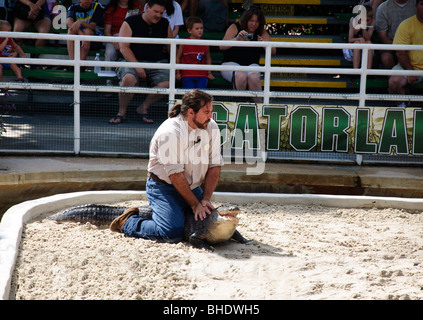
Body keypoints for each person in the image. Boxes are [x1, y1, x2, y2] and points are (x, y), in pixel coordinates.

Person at [110, 89, 224, 243]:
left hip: (192, 186)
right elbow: (176, 176)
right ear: (191, 112)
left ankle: (162, 212)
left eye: (210, 111)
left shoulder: (211, 126)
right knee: (171, 233)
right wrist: (195, 204)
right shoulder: (170, 132)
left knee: (210, 223)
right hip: (163, 187)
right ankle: (128, 221)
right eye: (206, 112)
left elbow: (215, 166)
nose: (210, 116)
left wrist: (205, 199)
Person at [109, 0, 172, 124]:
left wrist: (177, 68)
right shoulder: (130, 22)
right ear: (147, 8)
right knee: (129, 79)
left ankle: (143, 107)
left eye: (161, 13)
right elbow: (124, 47)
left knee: (169, 82)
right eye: (156, 11)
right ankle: (121, 112)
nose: (158, 15)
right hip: (129, 61)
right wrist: (137, 66)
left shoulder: (165, 23)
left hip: (156, 62)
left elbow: (171, 47)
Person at [219, 5, 276, 103]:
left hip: (251, 65)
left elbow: (273, 51)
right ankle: (237, 105)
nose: (254, 24)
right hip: (230, 63)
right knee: (241, 75)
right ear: (246, 20)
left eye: (257, 21)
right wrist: (237, 39)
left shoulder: (261, 32)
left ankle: (260, 108)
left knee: (253, 77)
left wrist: (264, 44)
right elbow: (222, 46)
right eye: (251, 21)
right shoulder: (235, 27)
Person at [388, 0, 423, 101]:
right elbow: (400, 52)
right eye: (422, 4)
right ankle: (402, 108)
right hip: (409, 67)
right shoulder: (406, 25)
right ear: (416, 6)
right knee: (394, 81)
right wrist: (410, 71)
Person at [104, 0, 144, 82]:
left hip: (132, 36)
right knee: (110, 53)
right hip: (114, 37)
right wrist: (114, 42)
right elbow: (107, 30)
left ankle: (128, 81)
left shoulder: (136, 5)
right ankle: (108, 82)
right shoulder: (111, 8)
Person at [176, 16, 214, 89]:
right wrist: (178, 72)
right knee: (190, 95)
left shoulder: (205, 43)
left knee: (200, 94)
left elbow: (208, 58)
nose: (200, 30)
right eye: (197, 28)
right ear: (189, 30)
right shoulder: (184, 43)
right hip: (187, 75)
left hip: (202, 75)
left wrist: (209, 73)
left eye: (201, 28)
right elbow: (178, 57)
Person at [375, 0, 416, 69]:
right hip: (392, 44)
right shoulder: (383, 8)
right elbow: (383, 36)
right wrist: (399, 48)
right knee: (386, 58)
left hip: (415, 44)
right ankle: (393, 76)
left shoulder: (417, 5)